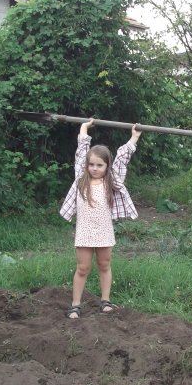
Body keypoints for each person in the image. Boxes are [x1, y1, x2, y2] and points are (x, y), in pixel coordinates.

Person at [59, 119, 142, 319]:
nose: (95, 168)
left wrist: (134, 137)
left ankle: (105, 300)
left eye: (99, 165)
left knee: (104, 264)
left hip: (104, 231)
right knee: (83, 267)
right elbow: (81, 152)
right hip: (85, 231)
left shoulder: (111, 180)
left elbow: (122, 158)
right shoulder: (81, 179)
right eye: (91, 165)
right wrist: (84, 128)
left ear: (107, 166)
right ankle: (75, 304)